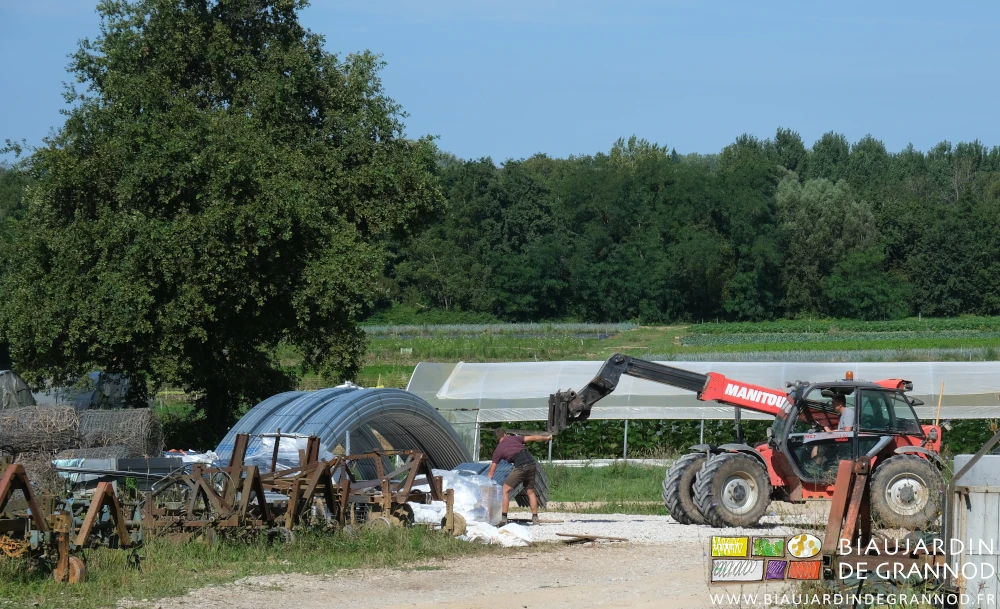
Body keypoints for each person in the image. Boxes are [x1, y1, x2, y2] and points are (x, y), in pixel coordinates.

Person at [487, 428, 552, 526]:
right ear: (505, 434)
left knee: (504, 490)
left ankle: (504, 518)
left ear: (497, 438)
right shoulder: (514, 438)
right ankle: (535, 518)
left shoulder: (498, 450)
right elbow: (533, 437)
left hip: (521, 466)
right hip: (532, 463)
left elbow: (491, 471)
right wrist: (547, 437)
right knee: (530, 491)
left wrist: (486, 483)